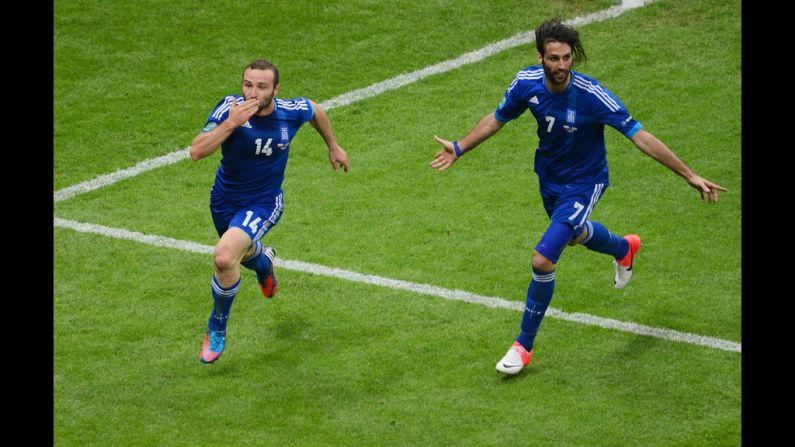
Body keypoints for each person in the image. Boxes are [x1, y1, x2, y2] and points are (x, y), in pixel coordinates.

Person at [430, 19, 726, 375]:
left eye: (567, 57)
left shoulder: (591, 95)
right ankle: (622, 248)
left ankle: (523, 346)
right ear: (540, 56)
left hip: (585, 183)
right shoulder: (526, 83)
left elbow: (640, 136)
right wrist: (459, 148)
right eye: (554, 58)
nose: (561, 65)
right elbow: (497, 118)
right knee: (571, 236)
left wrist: (689, 174)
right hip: (550, 182)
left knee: (543, 259)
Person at [190, 59, 349, 364]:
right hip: (223, 202)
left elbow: (314, 109)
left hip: (263, 204)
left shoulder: (289, 112)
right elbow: (197, 150)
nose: (253, 92)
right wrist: (231, 124)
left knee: (224, 256)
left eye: (262, 87)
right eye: (247, 84)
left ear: (276, 89)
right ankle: (264, 264)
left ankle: (217, 327)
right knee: (240, 256)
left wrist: (333, 145)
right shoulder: (229, 109)